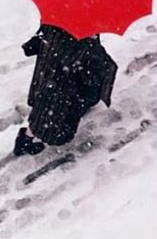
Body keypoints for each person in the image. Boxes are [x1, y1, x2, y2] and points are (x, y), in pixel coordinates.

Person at [14, 24, 118, 156]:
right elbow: (82, 59)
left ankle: (27, 137)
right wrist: (90, 43)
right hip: (62, 75)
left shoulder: (58, 19)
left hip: (52, 66)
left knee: (46, 105)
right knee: (51, 111)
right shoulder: (78, 38)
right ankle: (25, 140)